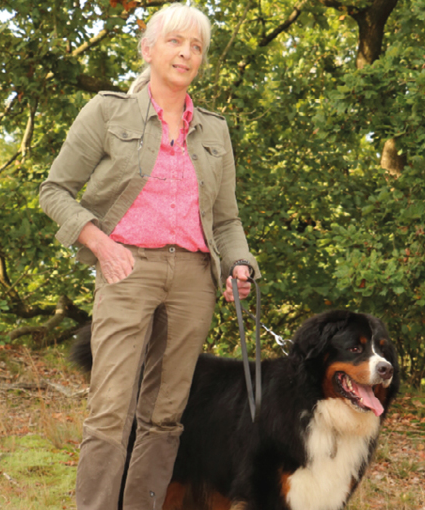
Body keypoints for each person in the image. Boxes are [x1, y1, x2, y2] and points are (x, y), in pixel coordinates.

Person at [38, 4, 260, 509]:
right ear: (149, 48)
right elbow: (55, 190)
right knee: (110, 410)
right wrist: (98, 242)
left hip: (193, 281)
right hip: (127, 268)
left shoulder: (214, 131)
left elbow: (225, 221)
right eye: (176, 42)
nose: (186, 53)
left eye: (197, 46)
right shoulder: (108, 111)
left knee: (165, 416)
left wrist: (239, 264)